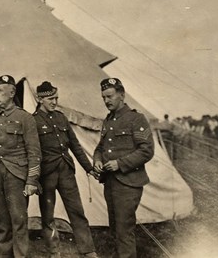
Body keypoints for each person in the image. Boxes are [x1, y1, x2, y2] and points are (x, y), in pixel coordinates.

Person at [0, 75, 41, 258]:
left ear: (12, 93)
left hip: (16, 176)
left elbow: (34, 152)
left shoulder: (25, 118)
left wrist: (31, 181)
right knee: (1, 220)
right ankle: (5, 254)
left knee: (19, 219)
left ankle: (20, 255)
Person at [33, 81, 99, 258]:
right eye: (50, 99)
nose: (54, 102)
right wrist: (34, 178)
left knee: (77, 211)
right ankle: (54, 251)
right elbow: (33, 152)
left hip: (66, 172)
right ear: (40, 99)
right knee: (48, 215)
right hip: (46, 174)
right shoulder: (33, 121)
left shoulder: (61, 117)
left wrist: (89, 168)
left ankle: (88, 250)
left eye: (56, 98)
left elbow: (75, 145)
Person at [93, 78, 154, 258]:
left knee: (124, 230)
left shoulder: (136, 119)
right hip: (110, 182)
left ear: (122, 95)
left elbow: (146, 150)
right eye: (104, 97)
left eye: (110, 96)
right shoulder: (108, 120)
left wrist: (120, 163)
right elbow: (100, 148)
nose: (106, 101)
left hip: (129, 183)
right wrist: (97, 159)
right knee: (115, 228)